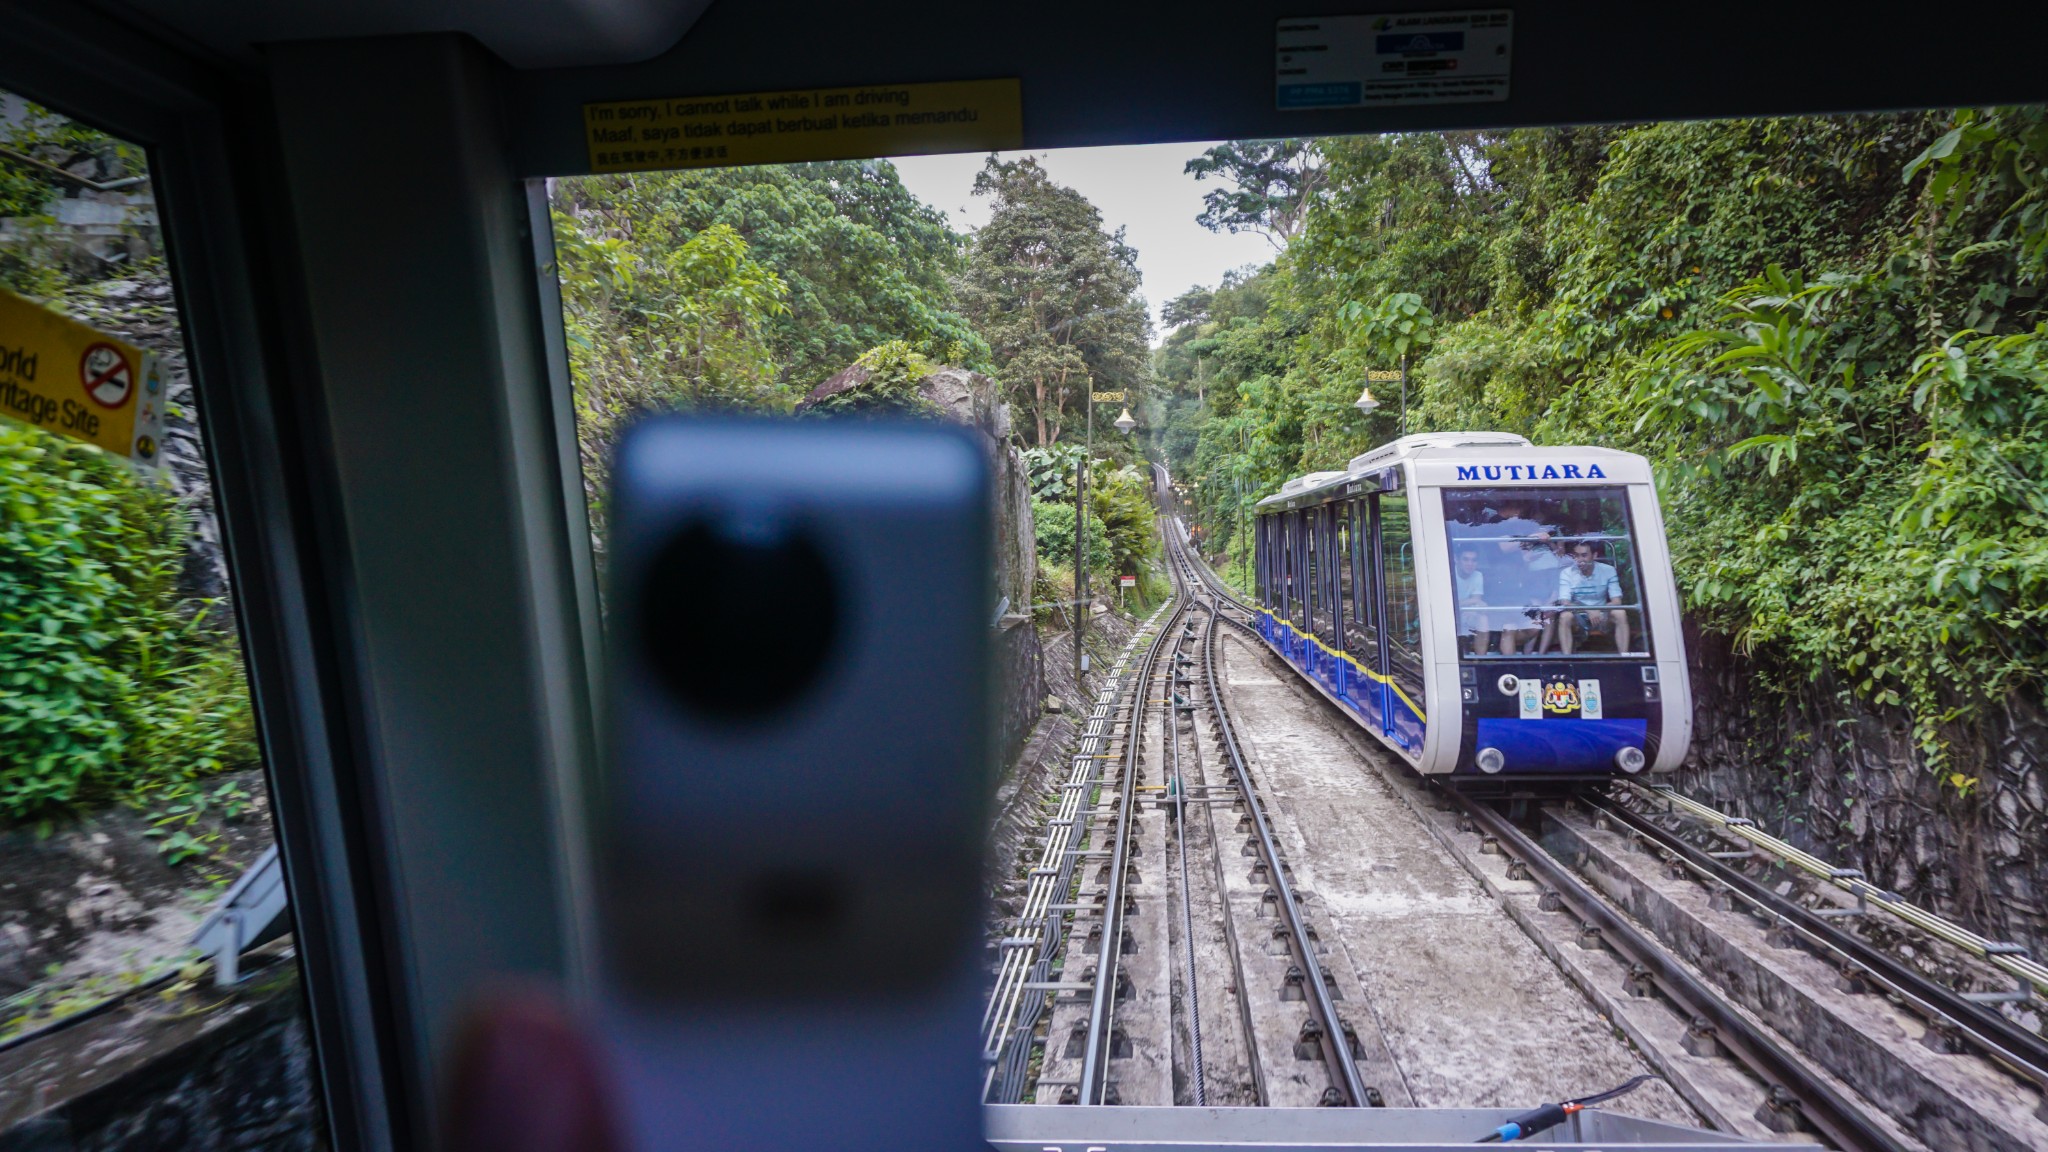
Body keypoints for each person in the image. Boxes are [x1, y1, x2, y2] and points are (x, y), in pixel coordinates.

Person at [1491, 502, 1562, 655]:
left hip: (1520, 593)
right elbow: (1505, 546)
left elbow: (1558, 555)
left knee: (1534, 626)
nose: (1518, 514)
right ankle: (1510, 665)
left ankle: (1529, 657)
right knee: (1509, 627)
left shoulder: (1524, 536)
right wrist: (1533, 537)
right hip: (1501, 593)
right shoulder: (1497, 523)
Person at [1556, 542, 1630, 654]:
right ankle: (1567, 658)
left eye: (1584, 555)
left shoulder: (1608, 570)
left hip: (1602, 615)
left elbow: (1617, 601)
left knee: (1620, 613)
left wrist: (1599, 610)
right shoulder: (1567, 573)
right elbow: (1565, 602)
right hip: (1579, 615)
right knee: (1565, 616)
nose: (1579, 559)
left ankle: (1625, 656)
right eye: (1576, 555)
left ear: (1594, 556)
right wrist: (1587, 609)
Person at [1453, 545, 1491, 655]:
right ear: (1456, 559)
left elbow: (1477, 601)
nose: (1470, 564)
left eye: (1473, 560)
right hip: (1447, 615)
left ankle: (1480, 659)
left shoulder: (1478, 575)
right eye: (1465, 559)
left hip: (1466, 613)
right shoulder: (1449, 572)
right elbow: (1447, 604)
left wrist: (1471, 608)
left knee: (1483, 618)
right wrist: (1470, 603)